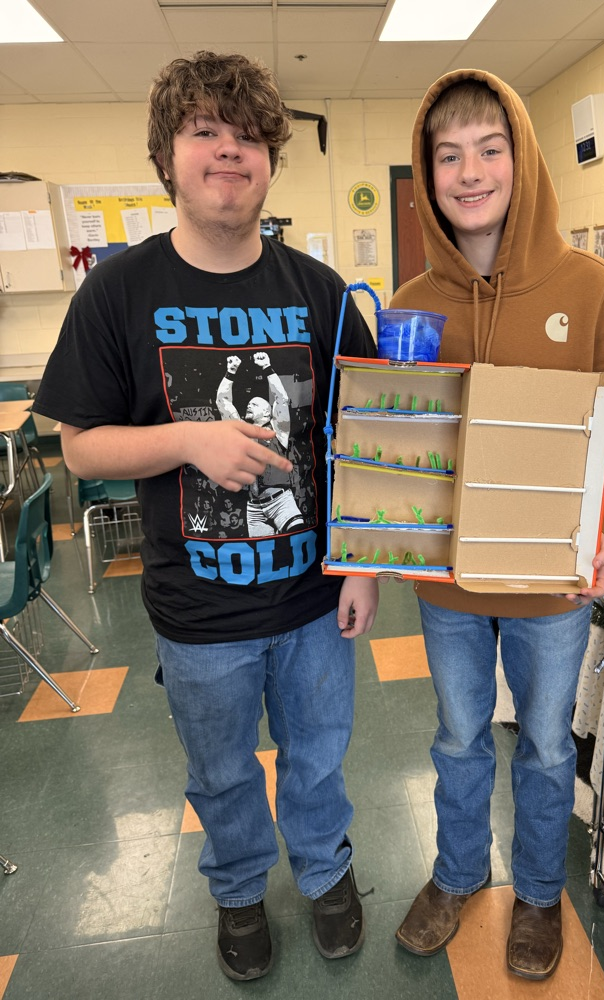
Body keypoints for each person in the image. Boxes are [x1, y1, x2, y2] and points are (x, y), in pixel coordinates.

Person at [33, 50, 379, 983]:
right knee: (222, 774)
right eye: (204, 133)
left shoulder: (320, 293)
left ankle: (326, 872)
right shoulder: (118, 291)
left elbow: (371, 446)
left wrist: (366, 562)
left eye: (248, 136)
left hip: (313, 602)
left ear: (271, 158)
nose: (229, 152)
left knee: (318, 760)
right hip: (197, 613)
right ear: (168, 157)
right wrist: (189, 442)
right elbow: (80, 447)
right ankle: (236, 891)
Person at [389, 70, 604, 980]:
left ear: (522, 159)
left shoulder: (586, 285)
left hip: (549, 584)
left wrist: (598, 521)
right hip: (451, 586)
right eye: (447, 155)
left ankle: (540, 893)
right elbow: (398, 440)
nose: (469, 172)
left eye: (488, 150)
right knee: (458, 739)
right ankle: (459, 873)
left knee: (543, 748)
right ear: (427, 174)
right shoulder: (411, 304)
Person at [216, 351, 305, 536]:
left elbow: (281, 399)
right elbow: (222, 402)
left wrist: (267, 368)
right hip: (254, 507)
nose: (249, 405)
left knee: (295, 536)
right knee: (263, 550)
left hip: (280, 501)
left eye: (255, 404)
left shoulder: (278, 430)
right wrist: (230, 372)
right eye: (249, 403)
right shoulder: (241, 431)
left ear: (267, 412)